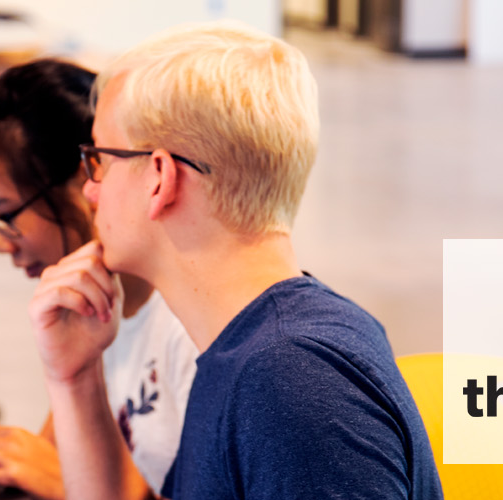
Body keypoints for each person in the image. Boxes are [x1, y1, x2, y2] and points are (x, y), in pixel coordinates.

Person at [31, 22, 443, 499]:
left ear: (159, 178)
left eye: (99, 158)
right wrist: (74, 376)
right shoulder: (242, 353)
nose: (90, 188)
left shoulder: (288, 383)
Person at [0, 59, 199, 500]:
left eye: (6, 216)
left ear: (89, 178)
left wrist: (69, 484)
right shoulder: (93, 300)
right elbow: (49, 448)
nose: (3, 245)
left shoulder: (191, 331)